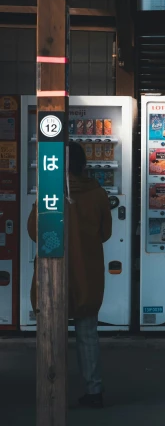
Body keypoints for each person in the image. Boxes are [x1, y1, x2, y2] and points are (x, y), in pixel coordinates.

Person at [27, 141, 112, 408]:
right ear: (83, 164)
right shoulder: (97, 193)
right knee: (87, 334)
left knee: (52, 333)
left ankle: (52, 388)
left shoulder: (49, 193)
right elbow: (105, 233)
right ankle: (94, 390)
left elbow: (34, 231)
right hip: (88, 272)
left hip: (53, 275)